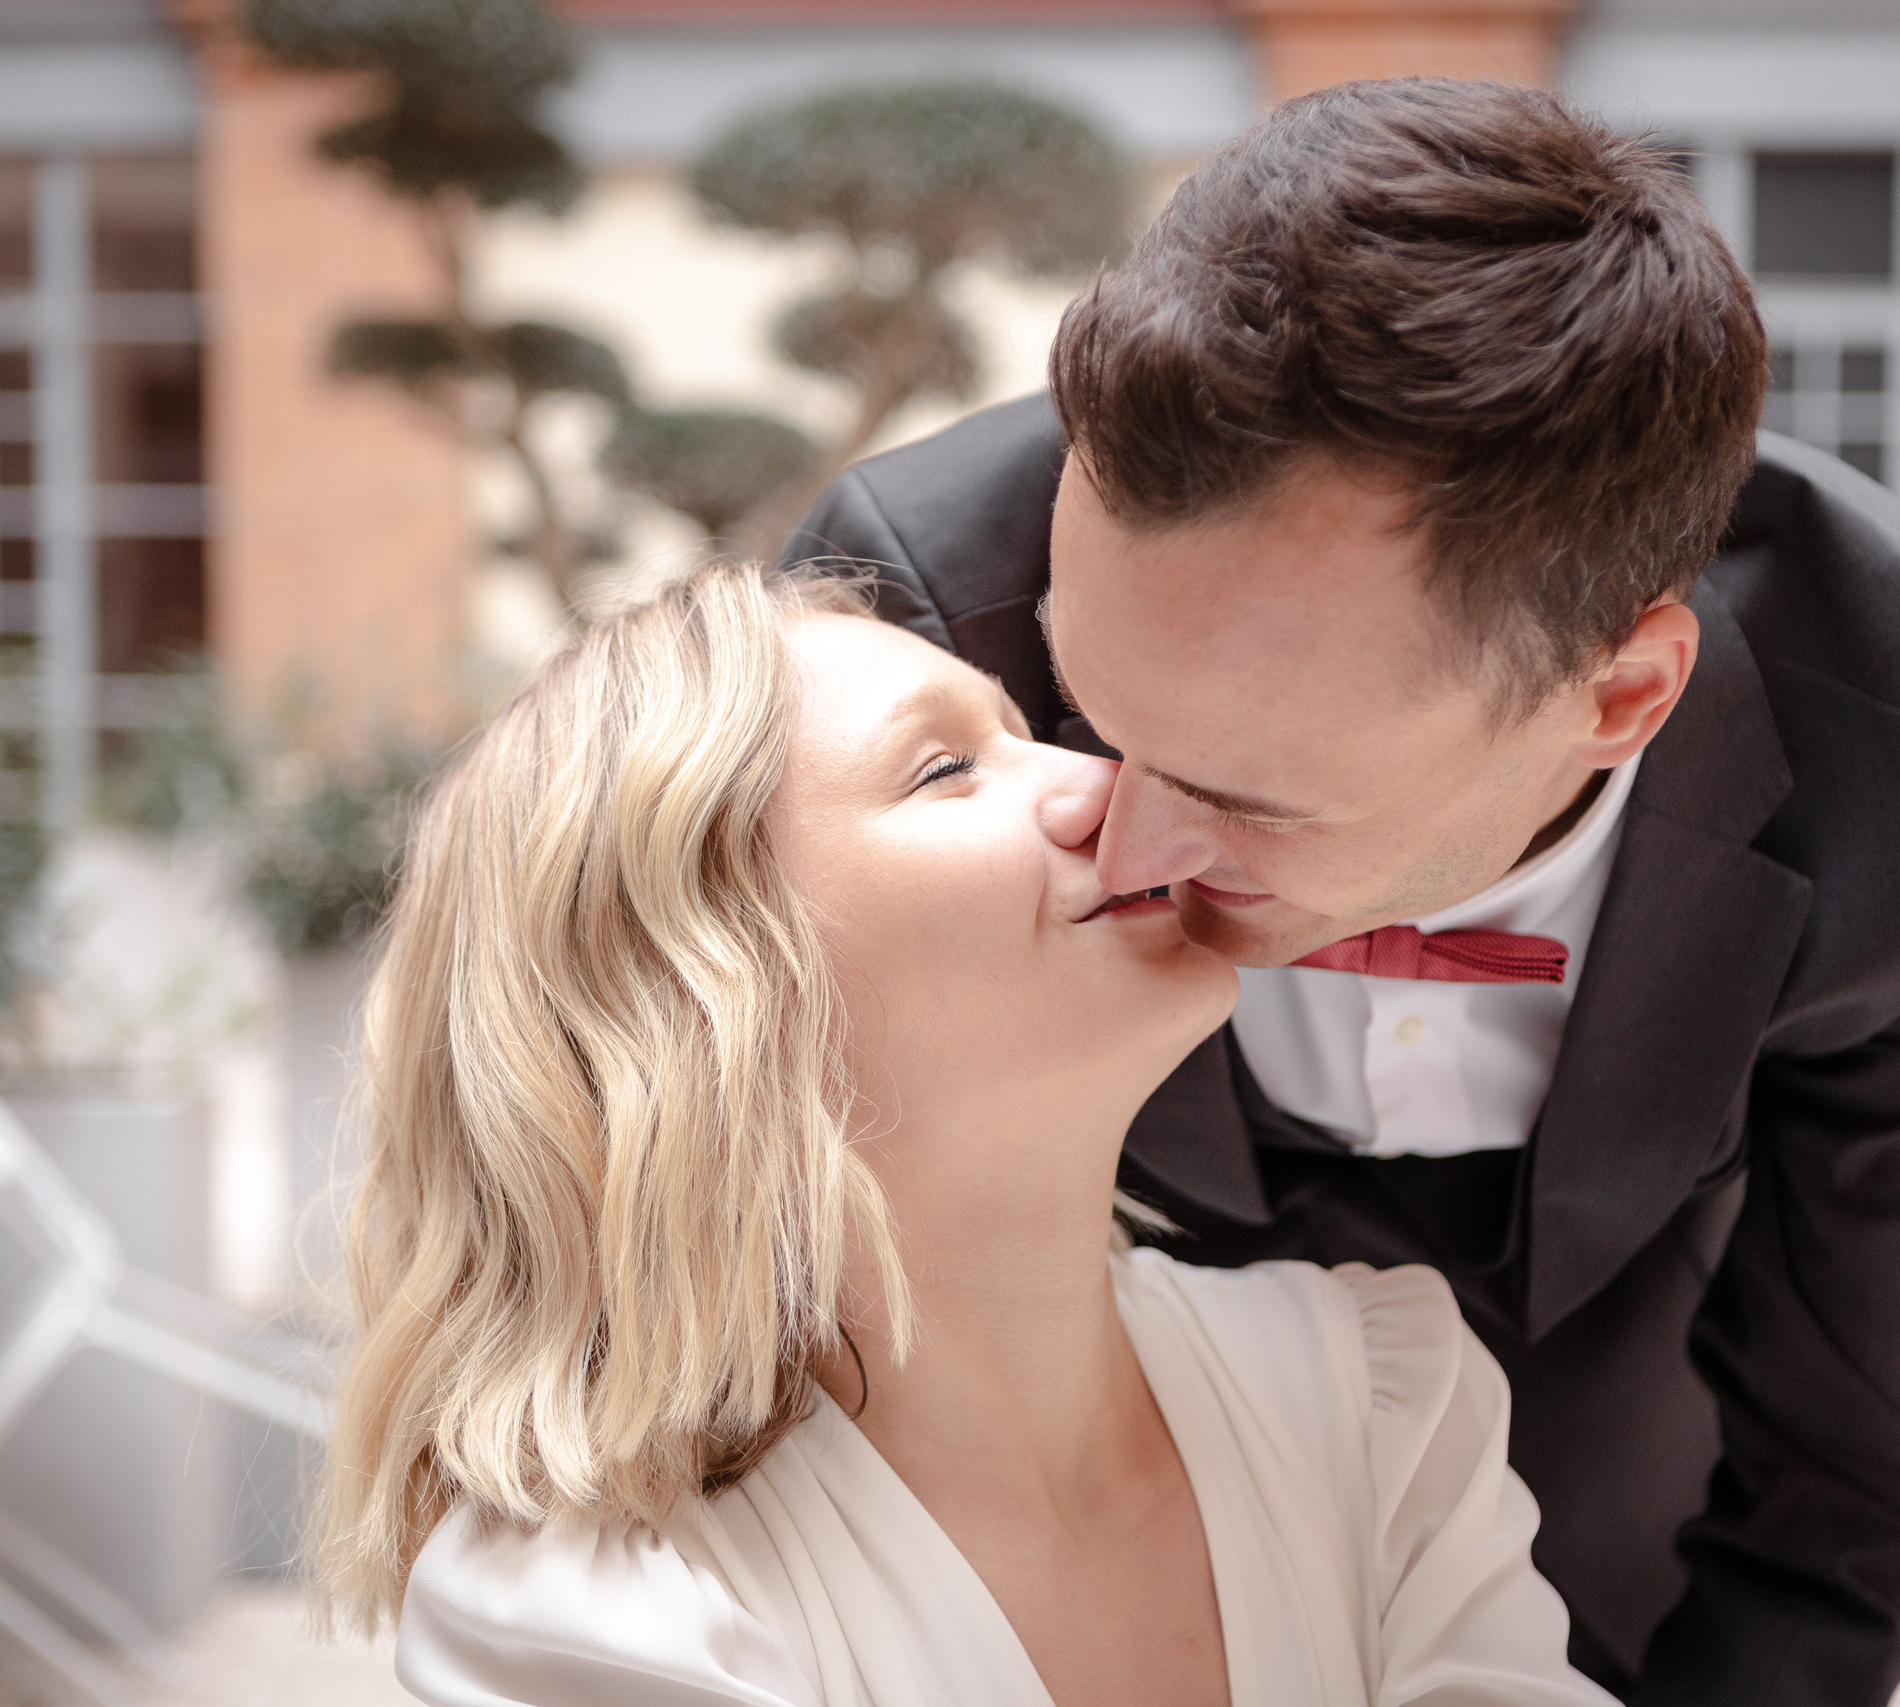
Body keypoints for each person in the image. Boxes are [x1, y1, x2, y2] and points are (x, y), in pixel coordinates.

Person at [779, 79, 1900, 1706]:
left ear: (1620, 697)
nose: (1121, 835)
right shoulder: (906, 608)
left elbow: (1832, 1508)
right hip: (1040, 1504)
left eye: (1241, 793)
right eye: (1095, 717)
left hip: (1609, 1475)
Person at [314, 562, 1614, 1707]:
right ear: (704, 1003)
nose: (1113, 784)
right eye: (946, 768)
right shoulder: (589, 1618)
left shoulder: (1382, 1400)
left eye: (1032, 731)